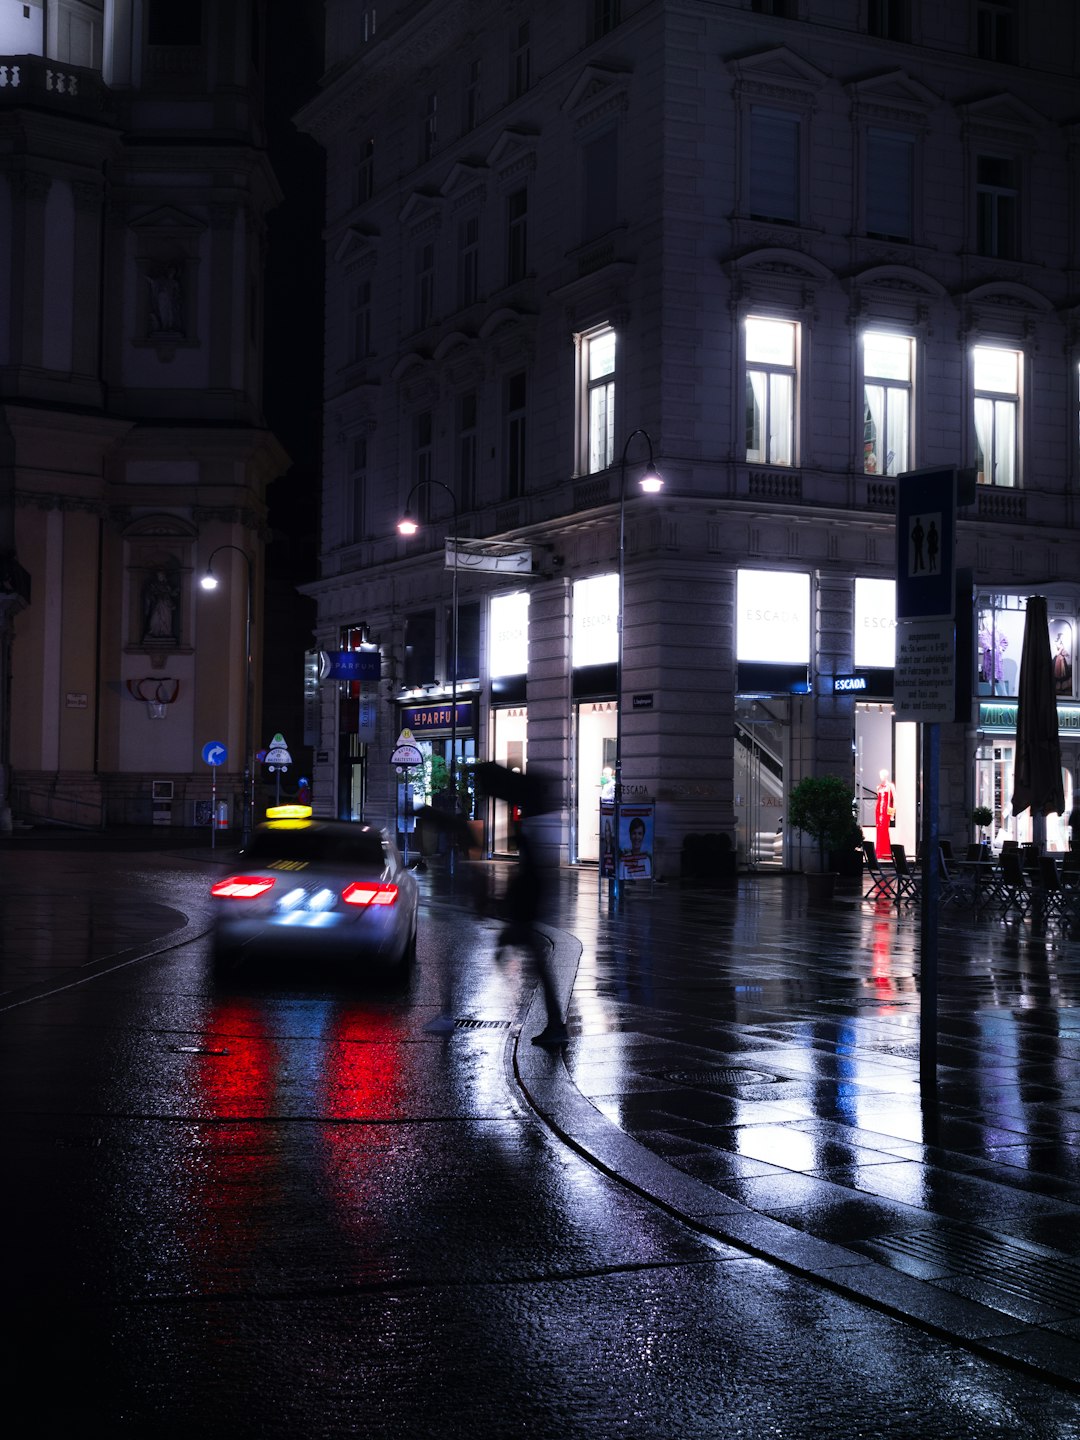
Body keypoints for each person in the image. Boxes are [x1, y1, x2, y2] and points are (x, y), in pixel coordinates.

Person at [875, 769, 896, 861]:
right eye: (880, 775)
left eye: (883, 775)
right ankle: (879, 852)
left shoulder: (890, 786)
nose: (881, 777)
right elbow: (878, 800)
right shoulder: (878, 787)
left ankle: (886, 852)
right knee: (879, 830)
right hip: (878, 810)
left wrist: (892, 814)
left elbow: (894, 800)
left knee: (884, 830)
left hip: (886, 811)